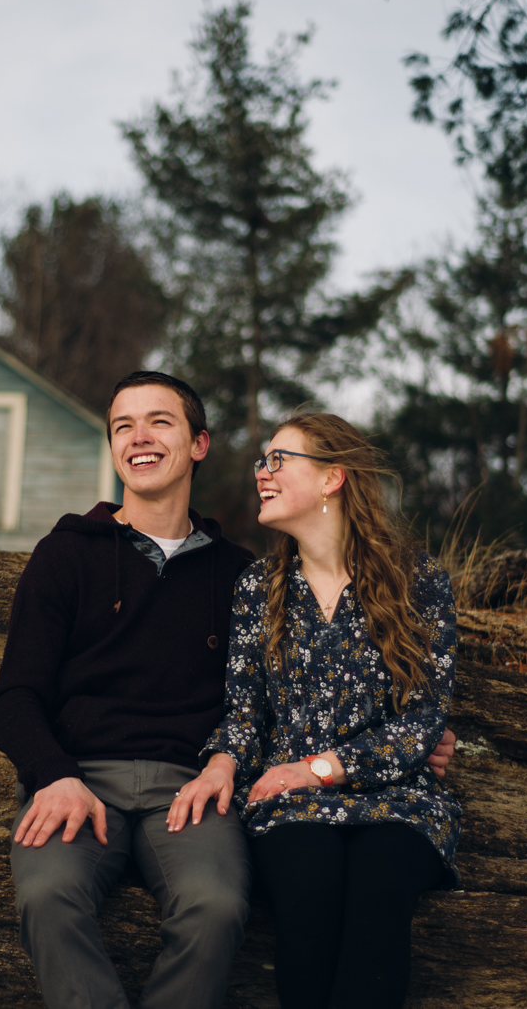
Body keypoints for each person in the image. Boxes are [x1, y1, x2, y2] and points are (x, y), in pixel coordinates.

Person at [0, 374, 456, 1009]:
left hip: (189, 785)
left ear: (199, 444)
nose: (139, 437)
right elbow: (15, 695)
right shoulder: (74, 554)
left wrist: (407, 740)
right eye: (123, 426)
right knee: (47, 898)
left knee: (217, 905)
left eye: (159, 422)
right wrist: (52, 773)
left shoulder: (237, 573)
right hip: (82, 777)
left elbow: (288, 702)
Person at [168, 412, 462, 1009]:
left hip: (399, 795)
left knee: (381, 884)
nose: (262, 474)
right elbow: (245, 708)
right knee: (308, 885)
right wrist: (222, 762)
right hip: (290, 803)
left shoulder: (418, 580)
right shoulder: (259, 588)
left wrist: (317, 768)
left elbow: (424, 719)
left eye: (279, 460)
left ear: (333, 478)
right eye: (261, 461)